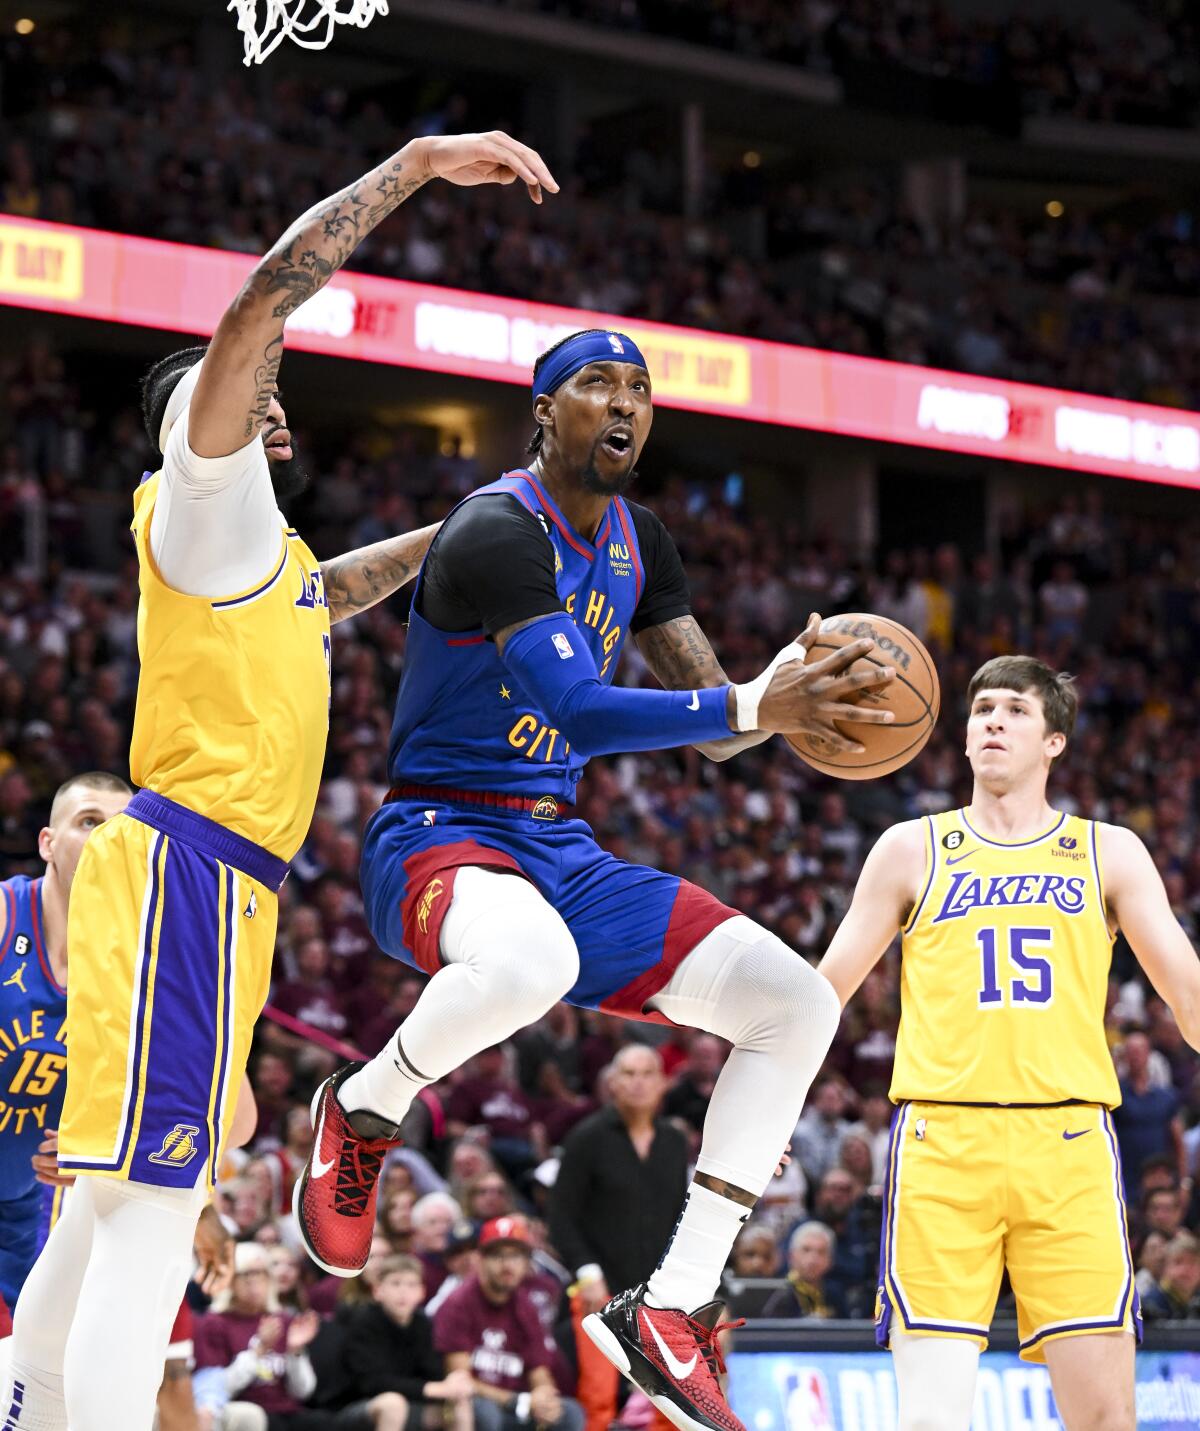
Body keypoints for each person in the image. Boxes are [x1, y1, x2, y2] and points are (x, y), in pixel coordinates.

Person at [3, 128, 557, 1431]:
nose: (275, 385)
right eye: (257, 379)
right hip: (187, 865)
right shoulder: (202, 482)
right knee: (149, 1212)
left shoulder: (269, 557)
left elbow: (344, 587)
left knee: (101, 1204)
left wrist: (492, 517)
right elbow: (263, 300)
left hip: (222, 885)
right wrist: (416, 165)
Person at [295, 326, 896, 1431]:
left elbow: (716, 726)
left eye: (639, 389)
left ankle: (670, 1304)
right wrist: (753, 705)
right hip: (435, 832)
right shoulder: (492, 530)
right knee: (534, 960)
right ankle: (366, 1107)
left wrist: (781, 687)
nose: (623, 404)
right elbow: (577, 708)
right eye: (595, 385)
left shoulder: (642, 541)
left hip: (556, 843)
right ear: (543, 410)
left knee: (797, 1003)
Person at [818, 655, 1200, 1431]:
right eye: (981, 709)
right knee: (931, 1420)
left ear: (1055, 740)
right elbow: (823, 993)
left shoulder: (1109, 850)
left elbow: (1190, 994)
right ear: (961, 737)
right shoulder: (909, 847)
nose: (992, 720)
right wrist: (767, 1107)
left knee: (1105, 1417)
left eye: (1016, 710)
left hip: (1067, 1142)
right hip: (942, 1139)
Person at [0, 772, 130, 1314]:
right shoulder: (6, 916)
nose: (104, 838)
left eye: (120, 831)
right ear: (47, 844)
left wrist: (111, 1152)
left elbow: (232, 1120)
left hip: (35, 1216)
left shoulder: (143, 965)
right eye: (88, 822)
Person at [548, 1046, 688, 1308]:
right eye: (629, 1073)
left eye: (648, 1074)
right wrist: (587, 1271)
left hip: (661, 1296)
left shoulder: (675, 1142)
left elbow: (682, 1217)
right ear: (612, 1082)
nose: (639, 1082)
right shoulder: (585, 1139)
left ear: (662, 1083)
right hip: (601, 1293)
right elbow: (560, 1216)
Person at [433, 1217, 583, 1431]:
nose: (507, 1264)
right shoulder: (458, 1302)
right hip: (472, 1402)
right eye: (498, 1256)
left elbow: (539, 1370)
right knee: (483, 1411)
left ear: (526, 1262)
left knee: (569, 1413)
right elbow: (460, 1378)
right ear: (480, 1260)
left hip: (519, 1406)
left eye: (515, 1256)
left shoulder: (526, 1307)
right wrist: (517, 1401)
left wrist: (543, 1397)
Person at [338, 1254, 473, 1431]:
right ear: (378, 1291)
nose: (403, 1292)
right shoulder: (364, 1322)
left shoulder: (423, 1323)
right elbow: (372, 1383)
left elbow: (432, 1371)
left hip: (411, 1405)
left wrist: (453, 1383)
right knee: (393, 1404)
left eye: (411, 1285)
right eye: (395, 1283)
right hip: (359, 1408)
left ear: (422, 1292)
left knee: (459, 1405)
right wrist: (432, 1388)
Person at [759, 1223, 840, 1319]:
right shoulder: (778, 1293)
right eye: (806, 1250)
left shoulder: (835, 1294)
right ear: (791, 1256)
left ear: (830, 1260)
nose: (813, 1259)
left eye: (821, 1252)